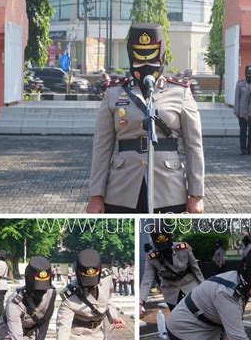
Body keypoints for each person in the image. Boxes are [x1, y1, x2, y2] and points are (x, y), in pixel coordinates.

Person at [86, 23, 204, 214]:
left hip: (169, 187)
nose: (147, 64)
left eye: (152, 56)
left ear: (162, 55)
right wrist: (95, 195)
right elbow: (101, 147)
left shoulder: (180, 92)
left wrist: (196, 195)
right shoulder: (114, 92)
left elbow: (194, 146)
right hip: (123, 186)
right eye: (139, 58)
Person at [140, 229, 204, 312]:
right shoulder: (152, 257)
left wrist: (204, 287)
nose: (165, 250)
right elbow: (147, 279)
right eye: (161, 248)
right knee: (176, 316)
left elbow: (196, 270)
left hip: (189, 284)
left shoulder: (183, 248)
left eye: (166, 247)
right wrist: (141, 301)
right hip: (170, 289)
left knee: (198, 311)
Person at [234, 65, 251, 155]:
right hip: (242, 112)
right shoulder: (240, 84)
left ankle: (250, 148)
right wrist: (236, 110)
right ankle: (243, 148)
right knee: (243, 131)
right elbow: (237, 98)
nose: (249, 77)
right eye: (247, 75)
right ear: (245, 74)